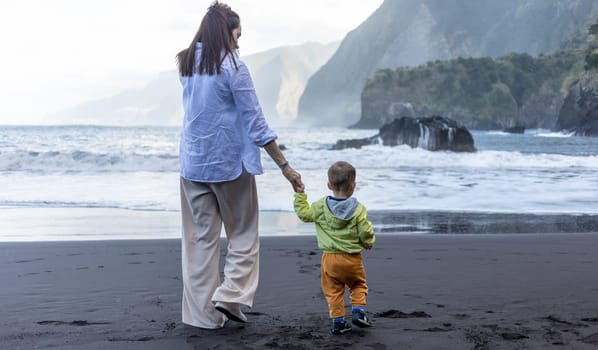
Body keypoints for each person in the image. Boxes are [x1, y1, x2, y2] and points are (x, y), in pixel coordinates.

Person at [176, 1, 303, 329]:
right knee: (243, 234)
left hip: (193, 165)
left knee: (199, 243)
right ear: (225, 33)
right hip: (228, 164)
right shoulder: (232, 65)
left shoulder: (186, 63)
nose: (239, 42)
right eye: (237, 35)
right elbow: (256, 121)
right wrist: (285, 166)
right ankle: (230, 296)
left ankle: (202, 317)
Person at [293, 161, 375, 335]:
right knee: (358, 284)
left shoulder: (321, 206)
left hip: (330, 259)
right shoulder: (359, 209)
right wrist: (368, 242)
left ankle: (338, 322)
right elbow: (365, 231)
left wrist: (300, 195)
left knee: (333, 291)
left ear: (329, 185)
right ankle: (358, 311)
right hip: (352, 258)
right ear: (353, 185)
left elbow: (304, 215)